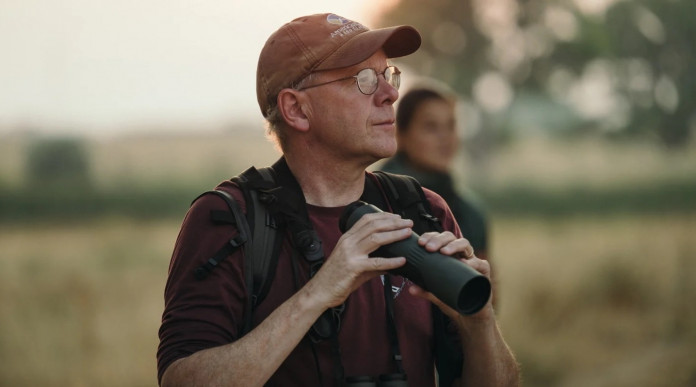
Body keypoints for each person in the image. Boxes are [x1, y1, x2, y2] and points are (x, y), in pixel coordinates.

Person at [157, 13, 519, 387]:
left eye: (388, 75)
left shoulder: (424, 210)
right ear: (296, 109)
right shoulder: (229, 219)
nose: (390, 94)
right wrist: (318, 294)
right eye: (363, 80)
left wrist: (480, 322)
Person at [379, 87, 495, 304]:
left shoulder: (470, 212)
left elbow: (488, 299)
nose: (445, 138)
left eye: (451, 126)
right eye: (431, 127)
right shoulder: (373, 197)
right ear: (400, 135)